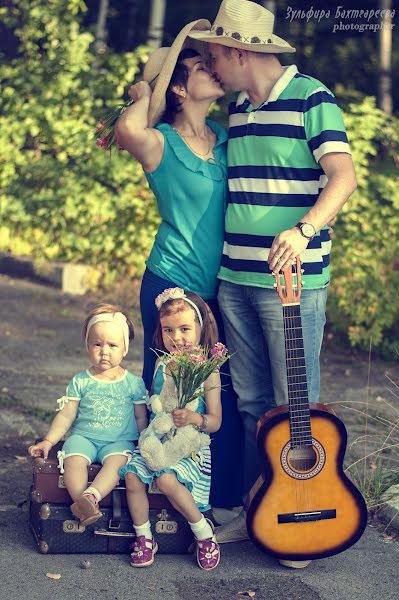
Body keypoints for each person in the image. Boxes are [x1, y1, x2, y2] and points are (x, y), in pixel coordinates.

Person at [189, 0, 358, 566]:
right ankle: (262, 510)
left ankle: (302, 517)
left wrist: (306, 229)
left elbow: (344, 175)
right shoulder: (238, 108)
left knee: (294, 404)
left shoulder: (313, 97)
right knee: (251, 404)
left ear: (240, 52)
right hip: (234, 278)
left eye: (215, 54)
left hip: (293, 283)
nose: (211, 64)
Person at [115, 20, 243, 510]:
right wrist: (152, 78)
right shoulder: (160, 141)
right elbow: (127, 125)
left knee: (217, 395)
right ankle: (152, 491)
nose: (211, 70)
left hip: (220, 286)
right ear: (177, 87)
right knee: (164, 393)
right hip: (171, 280)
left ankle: (219, 498)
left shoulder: (225, 138)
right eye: (198, 67)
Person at [120, 288, 222, 570]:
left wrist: (192, 418)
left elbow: (215, 421)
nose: (176, 337)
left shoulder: (208, 370)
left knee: (165, 480)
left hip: (190, 445)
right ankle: (144, 537)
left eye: (185, 329)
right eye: (169, 330)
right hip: (157, 440)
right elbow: (157, 405)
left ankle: (204, 534)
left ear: (201, 329)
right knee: (131, 477)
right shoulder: (161, 363)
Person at [28, 304, 148, 526]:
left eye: (112, 345)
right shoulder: (81, 380)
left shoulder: (133, 383)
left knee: (116, 465)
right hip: (85, 437)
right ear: (87, 346)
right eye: (97, 344)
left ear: (125, 348)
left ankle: (90, 496)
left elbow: (141, 417)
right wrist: (48, 441)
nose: (104, 351)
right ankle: (82, 505)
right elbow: (66, 416)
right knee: (73, 460)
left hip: (118, 440)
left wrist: (145, 442)